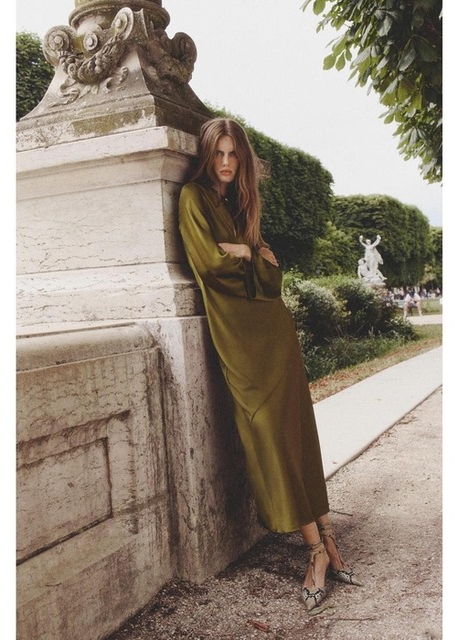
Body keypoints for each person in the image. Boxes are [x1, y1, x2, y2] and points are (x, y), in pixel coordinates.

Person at [178, 118, 362, 613]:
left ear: (242, 159)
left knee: (298, 432)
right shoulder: (193, 199)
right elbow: (212, 267)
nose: (225, 163)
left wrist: (247, 252)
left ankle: (327, 543)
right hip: (240, 342)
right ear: (206, 155)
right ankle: (315, 550)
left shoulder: (237, 208)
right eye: (218, 153)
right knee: (271, 437)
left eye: (233, 154)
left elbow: (273, 273)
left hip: (273, 332)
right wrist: (251, 257)